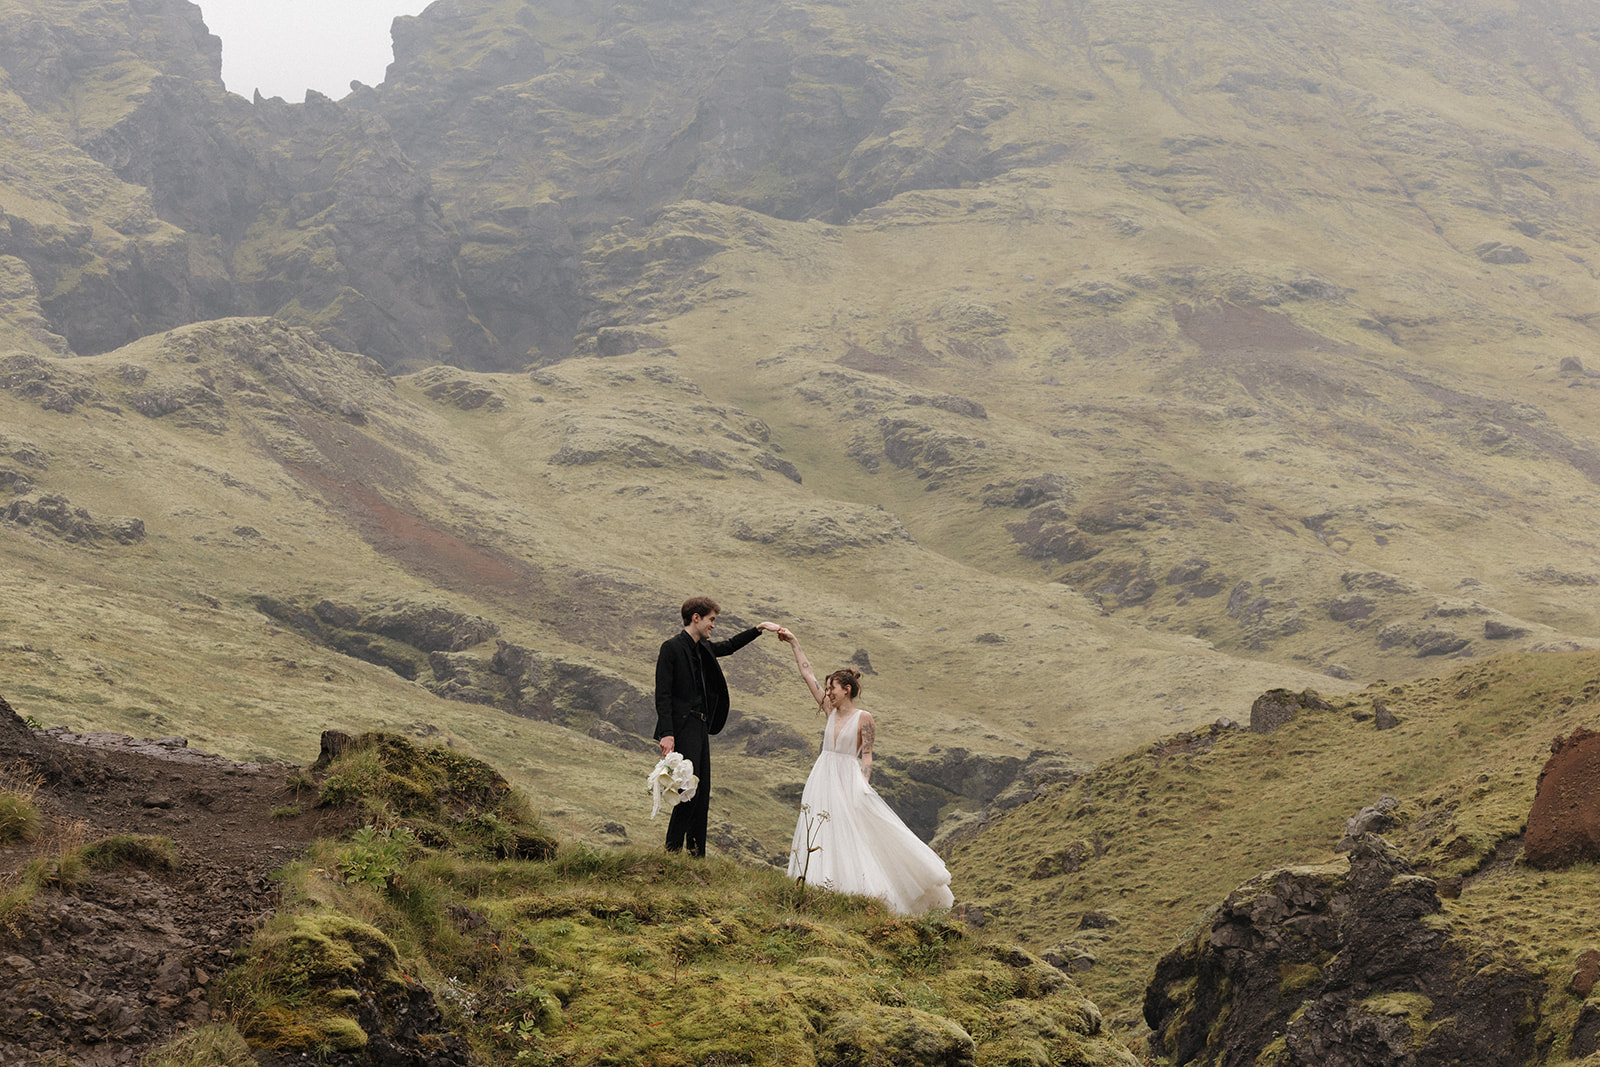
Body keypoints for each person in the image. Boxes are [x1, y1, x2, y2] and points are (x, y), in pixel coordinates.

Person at [777, 628, 954, 916]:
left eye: (832, 687)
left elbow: (868, 753)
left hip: (847, 775)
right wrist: (794, 642)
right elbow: (806, 674)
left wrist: (863, 782)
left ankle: (858, 889)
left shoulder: (864, 718)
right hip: (822, 775)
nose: (828, 692)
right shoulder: (828, 710)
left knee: (851, 830)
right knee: (820, 828)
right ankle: (817, 886)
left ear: (846, 689)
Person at [654, 597, 782, 856]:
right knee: (688, 789)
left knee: (701, 792)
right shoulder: (671, 648)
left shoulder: (704, 648)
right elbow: (663, 694)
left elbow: (731, 646)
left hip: (701, 727)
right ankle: (671, 851)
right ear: (696, 617)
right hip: (684, 726)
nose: (713, 625)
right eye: (711, 619)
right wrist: (667, 733)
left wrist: (757, 630)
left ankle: (695, 854)